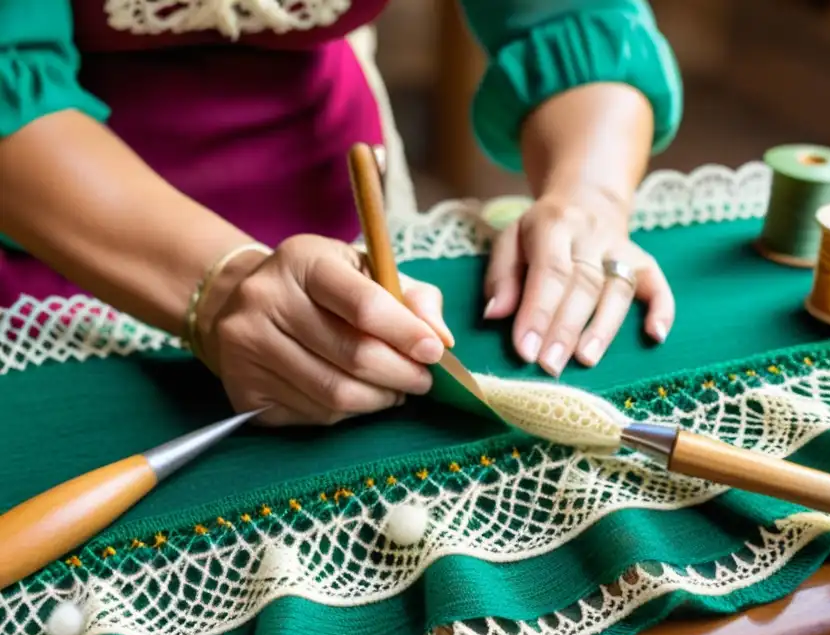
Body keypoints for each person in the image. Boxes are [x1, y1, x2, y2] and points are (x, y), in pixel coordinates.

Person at [0, 0, 683, 426]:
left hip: (333, 198)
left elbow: (572, 15)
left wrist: (589, 196)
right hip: (56, 227)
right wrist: (221, 286)